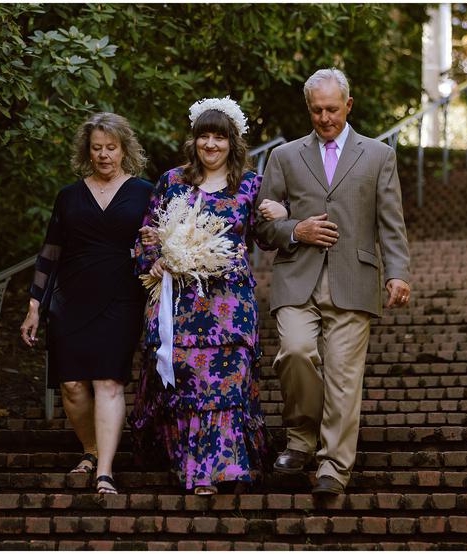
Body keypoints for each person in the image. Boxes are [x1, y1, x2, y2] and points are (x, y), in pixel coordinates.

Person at [254, 68, 411, 495]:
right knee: (296, 353)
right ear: (309, 109)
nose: (325, 118)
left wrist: (397, 273)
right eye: (317, 110)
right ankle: (302, 440)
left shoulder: (379, 155)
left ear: (349, 105)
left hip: (354, 277)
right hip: (296, 277)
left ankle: (333, 468)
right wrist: (294, 230)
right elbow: (262, 227)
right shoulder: (284, 156)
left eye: (332, 109)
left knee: (344, 375)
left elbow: (390, 223)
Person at [130, 97, 285, 496]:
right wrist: (155, 260)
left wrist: (282, 215)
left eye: (220, 137)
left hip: (229, 304)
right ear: (194, 141)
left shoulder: (250, 184)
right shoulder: (172, 181)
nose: (211, 144)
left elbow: (266, 239)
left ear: (233, 142)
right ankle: (196, 471)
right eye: (204, 136)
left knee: (226, 385)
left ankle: (222, 468)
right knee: (188, 385)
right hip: (179, 303)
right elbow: (146, 234)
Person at [20, 112, 153, 495]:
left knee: (109, 381)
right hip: (70, 297)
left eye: (111, 148)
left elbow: (158, 242)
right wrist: (34, 305)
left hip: (122, 296)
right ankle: (90, 450)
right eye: (97, 148)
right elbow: (50, 253)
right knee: (72, 385)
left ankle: (105, 472)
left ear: (125, 149)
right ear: (87, 151)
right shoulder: (68, 196)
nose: (104, 155)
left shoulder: (145, 192)